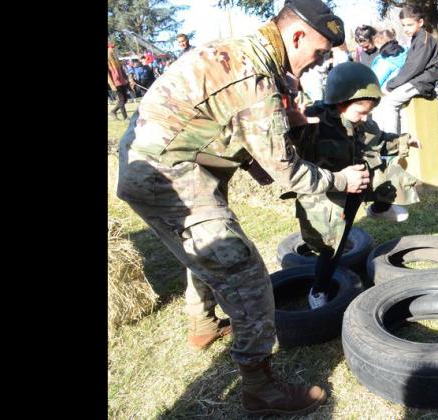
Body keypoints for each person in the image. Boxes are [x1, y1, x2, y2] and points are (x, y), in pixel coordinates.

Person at [115, 0, 369, 415]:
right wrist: (342, 180)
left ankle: (203, 324)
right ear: (297, 36)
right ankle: (260, 389)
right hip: (168, 174)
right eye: (319, 53)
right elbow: (285, 172)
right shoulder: (254, 76)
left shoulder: (246, 52)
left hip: (173, 160)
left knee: (206, 250)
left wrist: (288, 121)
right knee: (244, 273)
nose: (317, 62)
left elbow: (236, 126)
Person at [288, 62, 420, 308]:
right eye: (361, 111)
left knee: (393, 174)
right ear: (340, 104)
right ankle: (318, 290)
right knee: (332, 247)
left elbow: (378, 141)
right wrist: (294, 123)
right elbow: (288, 139)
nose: (366, 118)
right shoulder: (314, 120)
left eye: (369, 112)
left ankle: (379, 208)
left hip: (356, 184)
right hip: (326, 194)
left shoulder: (362, 123)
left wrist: (405, 141)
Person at [371, 4, 438, 135]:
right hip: (416, 80)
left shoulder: (424, 40)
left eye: (409, 25)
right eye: (403, 25)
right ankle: (404, 139)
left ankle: (391, 142)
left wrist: (389, 86)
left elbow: (412, 68)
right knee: (397, 105)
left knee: (389, 102)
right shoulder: (417, 39)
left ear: (420, 22)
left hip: (422, 83)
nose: (405, 29)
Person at [107, 42, 130, 120]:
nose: (114, 49)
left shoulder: (116, 58)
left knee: (125, 99)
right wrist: (112, 84)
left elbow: (121, 70)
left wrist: (126, 78)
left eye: (114, 47)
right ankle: (125, 117)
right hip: (115, 83)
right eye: (112, 47)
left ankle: (113, 111)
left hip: (121, 81)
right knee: (122, 100)